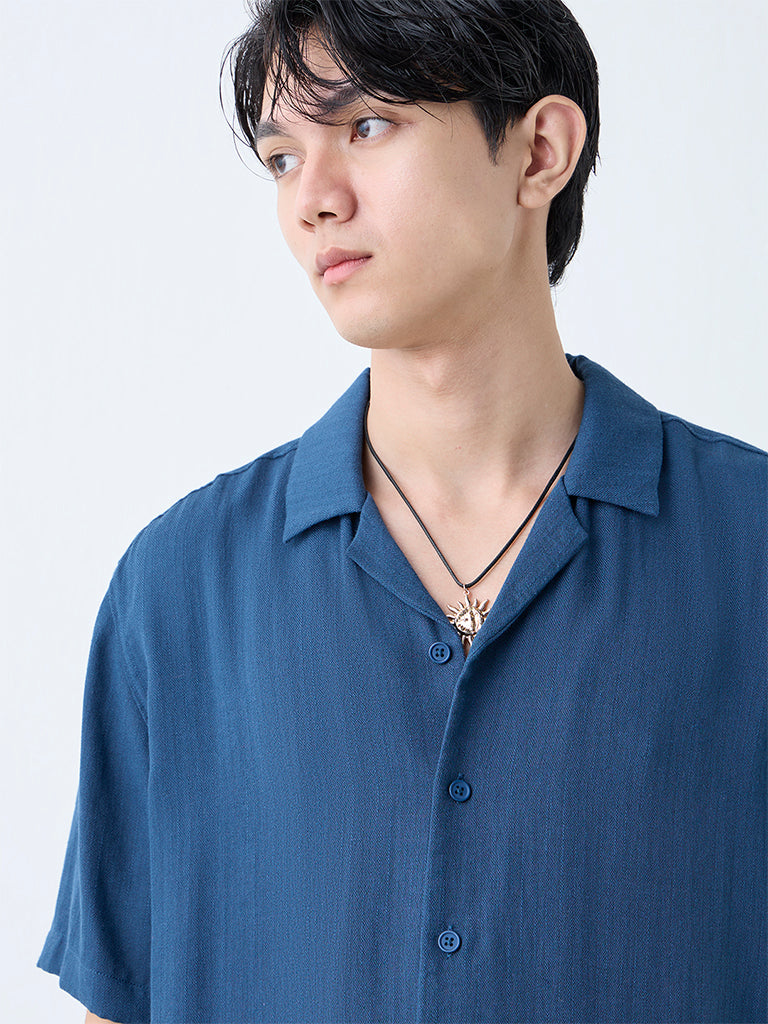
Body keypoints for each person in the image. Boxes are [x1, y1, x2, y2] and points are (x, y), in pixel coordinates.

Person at [37, 1, 766, 1022]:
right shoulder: (178, 591)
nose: (313, 200)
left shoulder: (748, 550)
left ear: (539, 152)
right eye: (283, 158)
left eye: (367, 125)